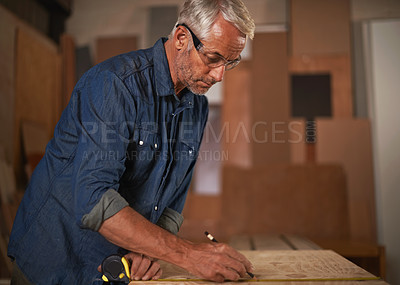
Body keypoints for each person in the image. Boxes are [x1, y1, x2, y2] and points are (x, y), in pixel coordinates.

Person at [8, 0, 255, 284]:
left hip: (115, 271)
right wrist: (188, 255)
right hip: (55, 262)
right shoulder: (114, 84)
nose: (220, 75)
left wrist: (147, 253)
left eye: (230, 62)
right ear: (181, 38)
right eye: (213, 58)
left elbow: (172, 204)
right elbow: (93, 199)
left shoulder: (196, 107)